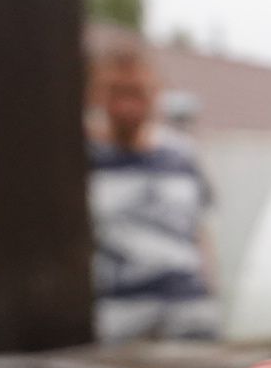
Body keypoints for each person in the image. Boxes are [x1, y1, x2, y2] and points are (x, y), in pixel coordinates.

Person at [85, 34, 219, 341]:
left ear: (155, 91)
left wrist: (211, 294)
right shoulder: (82, 160)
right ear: (95, 94)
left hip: (189, 316)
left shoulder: (183, 154)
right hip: (118, 323)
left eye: (136, 92)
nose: (126, 105)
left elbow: (201, 232)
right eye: (115, 91)